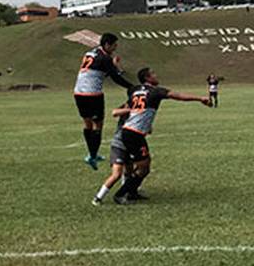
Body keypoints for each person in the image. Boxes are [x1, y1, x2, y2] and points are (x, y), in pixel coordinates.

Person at [110, 68, 211, 204]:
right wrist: (200, 98)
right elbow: (179, 96)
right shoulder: (156, 91)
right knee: (143, 167)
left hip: (130, 131)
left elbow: (131, 99)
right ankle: (120, 194)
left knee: (144, 166)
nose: (156, 76)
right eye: (153, 74)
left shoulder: (134, 90)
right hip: (134, 133)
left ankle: (132, 192)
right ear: (147, 78)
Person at [73, 33, 135, 170]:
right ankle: (93, 156)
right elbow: (115, 77)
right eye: (114, 45)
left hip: (78, 92)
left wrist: (113, 65)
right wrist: (131, 87)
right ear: (107, 44)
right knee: (98, 125)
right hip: (92, 94)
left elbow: (99, 71)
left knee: (88, 124)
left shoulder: (90, 53)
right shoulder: (105, 58)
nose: (115, 48)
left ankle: (91, 154)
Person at [92, 96, 133, 205]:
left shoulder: (141, 110)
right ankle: (98, 197)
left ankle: (124, 193)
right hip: (119, 144)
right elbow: (114, 112)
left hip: (131, 144)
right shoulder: (128, 106)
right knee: (116, 174)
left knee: (129, 171)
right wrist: (130, 110)